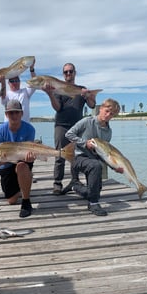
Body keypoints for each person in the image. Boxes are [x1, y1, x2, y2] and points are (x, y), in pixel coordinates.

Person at [44, 63, 96, 195]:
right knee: (60, 155)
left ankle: (75, 180)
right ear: (63, 74)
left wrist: (89, 95)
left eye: (70, 71)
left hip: (77, 127)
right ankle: (57, 184)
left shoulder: (81, 89)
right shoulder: (58, 88)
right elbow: (57, 108)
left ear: (75, 73)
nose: (68, 74)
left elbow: (92, 105)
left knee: (76, 154)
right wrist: (50, 94)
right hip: (61, 125)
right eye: (66, 72)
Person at [65, 98, 122, 216]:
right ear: (100, 109)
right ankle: (93, 203)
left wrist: (114, 167)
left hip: (93, 161)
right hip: (78, 157)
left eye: (111, 114)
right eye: (106, 111)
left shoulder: (108, 132)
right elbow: (69, 134)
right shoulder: (87, 121)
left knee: (94, 190)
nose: (108, 115)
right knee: (96, 166)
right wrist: (84, 143)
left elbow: (104, 154)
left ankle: (75, 187)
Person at [0, 99, 36, 218]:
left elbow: (30, 152)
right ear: (6, 114)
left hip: (23, 159)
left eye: (17, 112)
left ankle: (26, 202)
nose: (14, 115)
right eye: (11, 113)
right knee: (11, 200)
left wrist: (30, 159)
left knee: (22, 166)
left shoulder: (30, 129)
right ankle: (24, 181)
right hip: (6, 163)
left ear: (22, 113)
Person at [0, 58, 36, 122]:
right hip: (9, 127)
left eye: (17, 80)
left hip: (24, 127)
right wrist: (2, 83)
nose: (15, 82)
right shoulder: (7, 94)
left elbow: (35, 82)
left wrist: (31, 69)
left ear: (20, 82)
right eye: (12, 81)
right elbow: (2, 98)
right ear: (9, 83)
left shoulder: (26, 91)